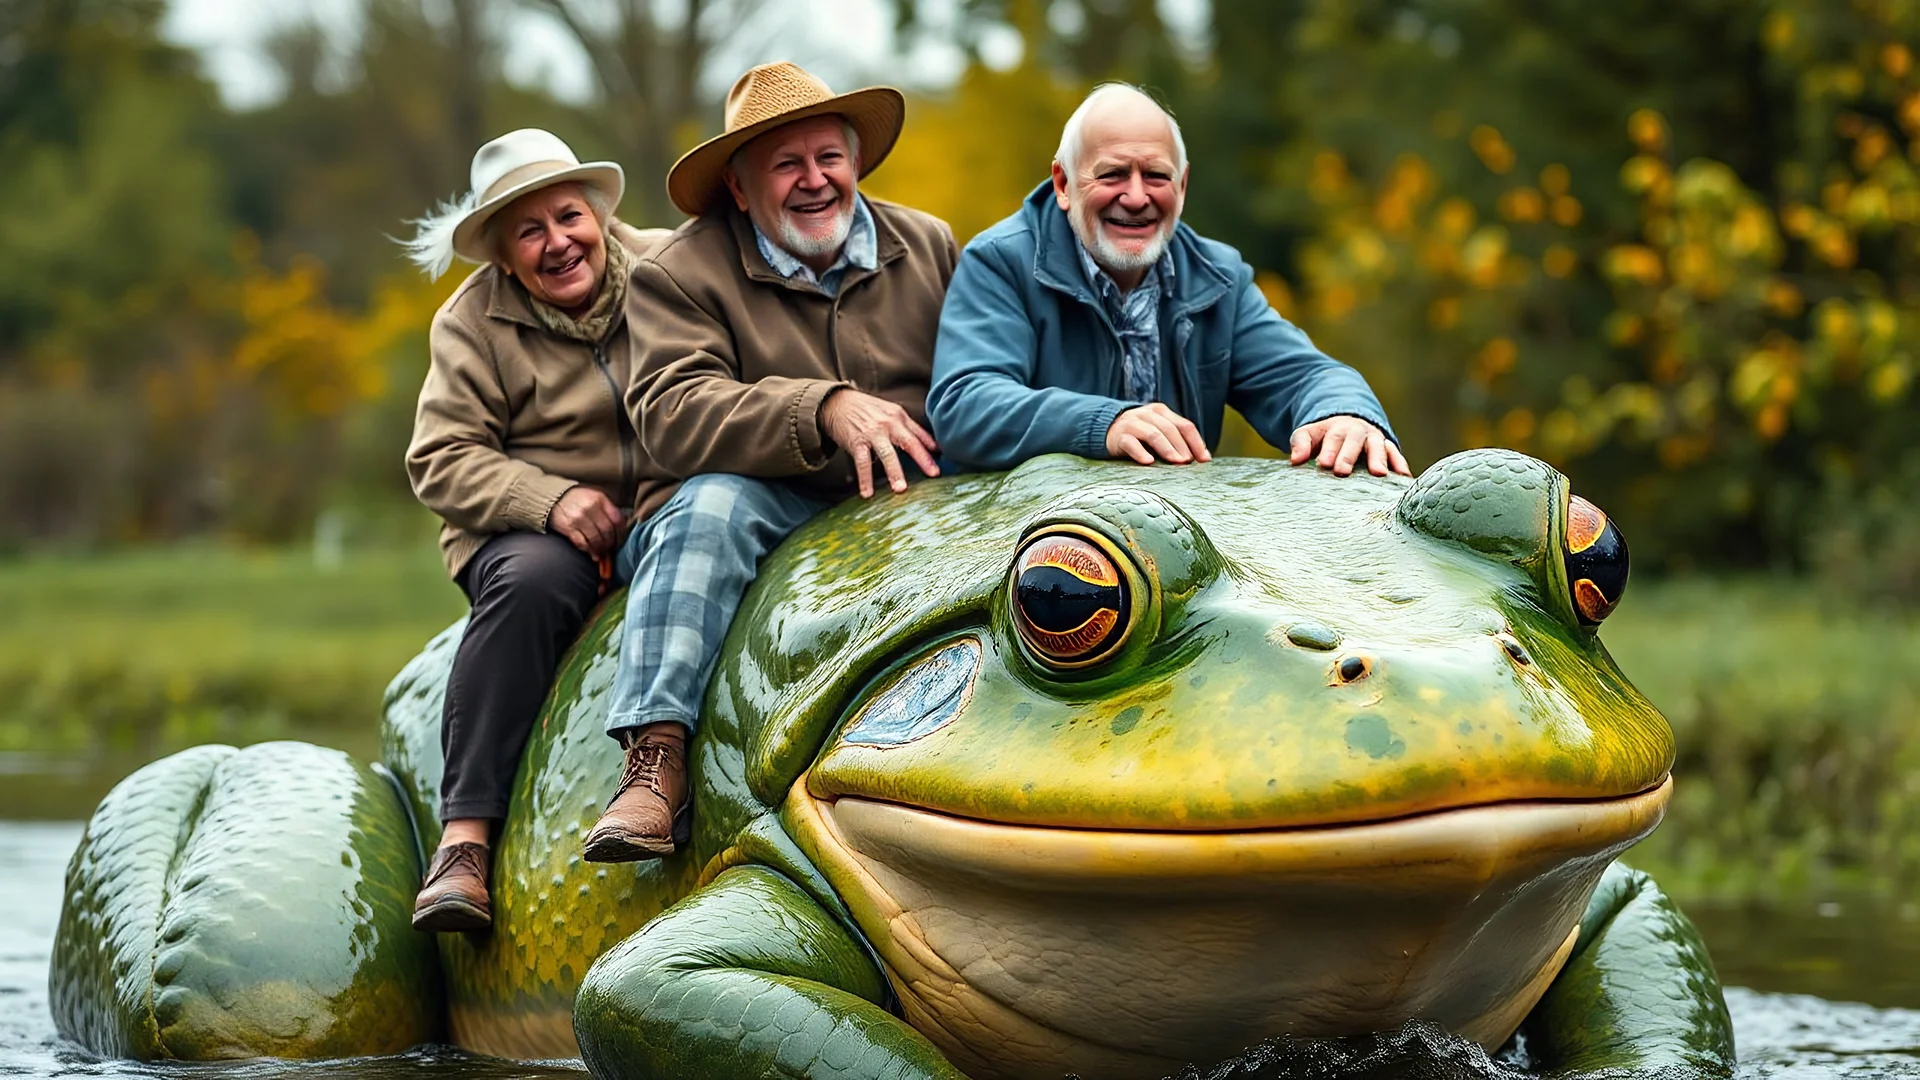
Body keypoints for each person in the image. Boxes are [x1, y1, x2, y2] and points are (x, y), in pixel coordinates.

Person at [579, 62, 958, 861]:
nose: (815, 180)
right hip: (755, 495)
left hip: (904, 487)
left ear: (856, 163)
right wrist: (822, 406)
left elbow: (972, 381)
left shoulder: (926, 243)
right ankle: (655, 762)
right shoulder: (677, 273)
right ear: (741, 190)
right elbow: (672, 414)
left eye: (829, 157)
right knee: (709, 504)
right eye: (787, 164)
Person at [400, 129, 669, 931]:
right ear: (504, 257)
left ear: (598, 215)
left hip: (664, 501)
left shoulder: (668, 270)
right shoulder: (468, 323)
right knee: (533, 581)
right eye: (530, 231)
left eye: (569, 216)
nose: (558, 243)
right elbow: (439, 459)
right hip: (527, 530)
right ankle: (465, 845)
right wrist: (549, 500)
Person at [927, 84, 1407, 478]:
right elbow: (965, 403)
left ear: (1182, 185)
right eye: (1113, 174)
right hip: (1019, 552)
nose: (1136, 198)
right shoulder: (1000, 261)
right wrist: (1104, 423)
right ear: (1063, 184)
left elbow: (1306, 375)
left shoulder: (1218, 277)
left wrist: (1345, 413)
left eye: (1156, 175)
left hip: (1170, 544)